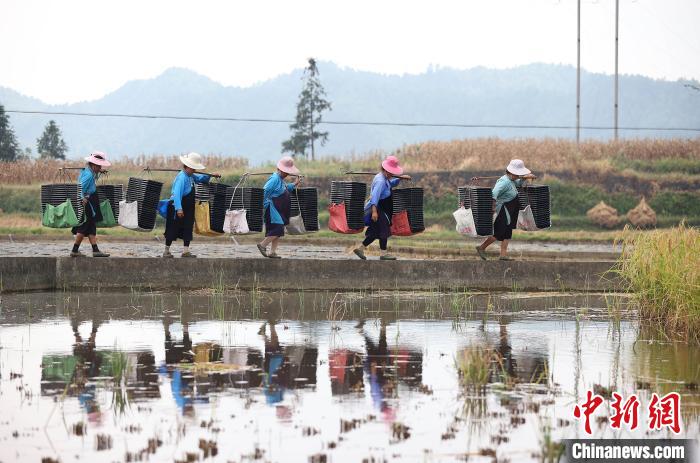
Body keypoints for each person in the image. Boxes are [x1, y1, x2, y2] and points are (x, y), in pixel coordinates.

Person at [475, 159, 536, 261]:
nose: (518, 176)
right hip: (504, 211)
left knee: (507, 233)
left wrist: (526, 178)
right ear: (511, 173)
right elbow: (494, 194)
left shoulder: (511, 180)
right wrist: (492, 207)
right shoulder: (504, 182)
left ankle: (503, 255)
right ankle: (481, 247)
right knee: (499, 232)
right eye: (517, 174)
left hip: (511, 210)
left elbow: (519, 183)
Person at [352, 155, 410, 261]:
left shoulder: (384, 178)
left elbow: (390, 185)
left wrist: (399, 179)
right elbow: (374, 197)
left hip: (383, 208)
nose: (392, 174)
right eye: (392, 172)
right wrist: (374, 212)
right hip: (379, 208)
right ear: (386, 170)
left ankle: (360, 249)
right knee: (384, 230)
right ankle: (384, 254)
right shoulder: (380, 181)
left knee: (375, 232)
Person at [163, 152, 220, 258]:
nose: (194, 170)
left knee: (188, 228)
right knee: (172, 229)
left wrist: (211, 175)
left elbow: (200, 179)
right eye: (193, 168)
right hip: (177, 206)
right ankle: (166, 251)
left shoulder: (191, 176)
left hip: (188, 208)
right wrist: (179, 209)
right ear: (187, 166)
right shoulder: (181, 177)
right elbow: (176, 194)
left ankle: (186, 251)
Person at [257, 156, 301, 259]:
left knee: (278, 231)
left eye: (288, 172)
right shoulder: (274, 179)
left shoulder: (280, 180)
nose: (287, 174)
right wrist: (266, 204)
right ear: (279, 169)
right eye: (285, 171)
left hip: (279, 209)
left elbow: (284, 189)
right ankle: (262, 245)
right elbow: (264, 192)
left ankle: (272, 252)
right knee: (279, 228)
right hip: (272, 208)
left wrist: (295, 184)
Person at [70, 151, 111, 257]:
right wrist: (82, 198)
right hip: (87, 202)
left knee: (91, 226)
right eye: (98, 166)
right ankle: (74, 250)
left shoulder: (89, 172)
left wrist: (99, 172)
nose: (100, 167)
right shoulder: (88, 174)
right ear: (93, 165)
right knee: (84, 227)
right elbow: (80, 188)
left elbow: (92, 181)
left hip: (90, 200)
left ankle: (95, 250)